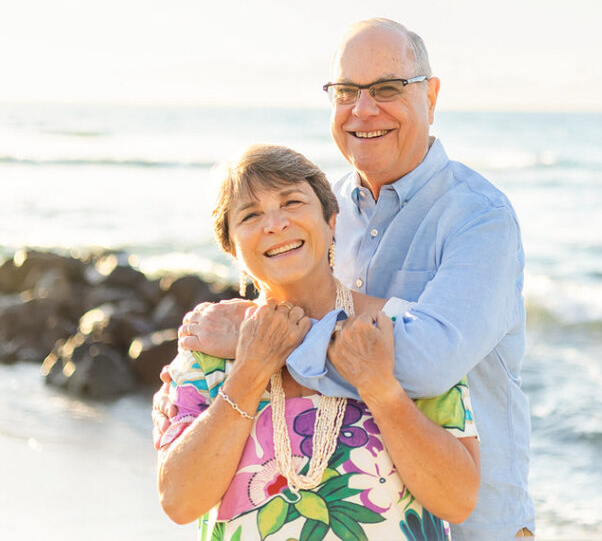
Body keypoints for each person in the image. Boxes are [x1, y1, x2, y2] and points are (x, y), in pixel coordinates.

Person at [156, 18, 535, 539]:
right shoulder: (323, 207)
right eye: (346, 92)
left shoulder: (478, 218)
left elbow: (426, 363)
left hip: (474, 525)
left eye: (387, 88)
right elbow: (178, 493)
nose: (364, 109)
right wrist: (234, 368)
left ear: (431, 94)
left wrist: (262, 341)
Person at [157, 144, 480, 540]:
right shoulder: (209, 343)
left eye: (292, 202)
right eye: (251, 214)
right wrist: (250, 370)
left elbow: (459, 499)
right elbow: (179, 501)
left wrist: (381, 389)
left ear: (331, 220)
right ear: (231, 247)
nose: (275, 224)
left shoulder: (400, 330)